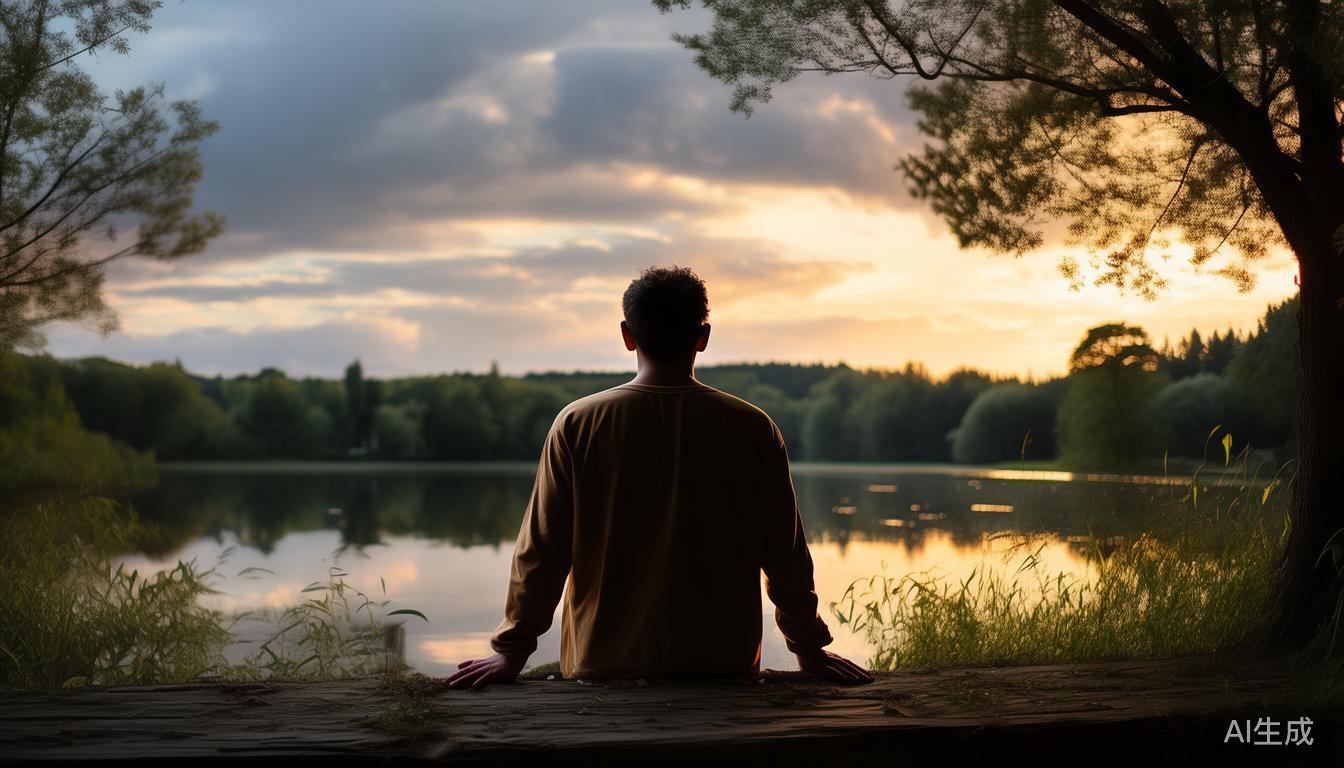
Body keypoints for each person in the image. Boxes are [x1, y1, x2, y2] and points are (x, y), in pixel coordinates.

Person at [445, 265, 874, 690]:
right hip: (722, 669)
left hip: (602, 667)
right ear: (702, 337)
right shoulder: (753, 428)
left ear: (627, 335)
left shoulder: (576, 424)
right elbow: (786, 556)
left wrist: (511, 651)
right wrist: (808, 648)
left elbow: (541, 552)